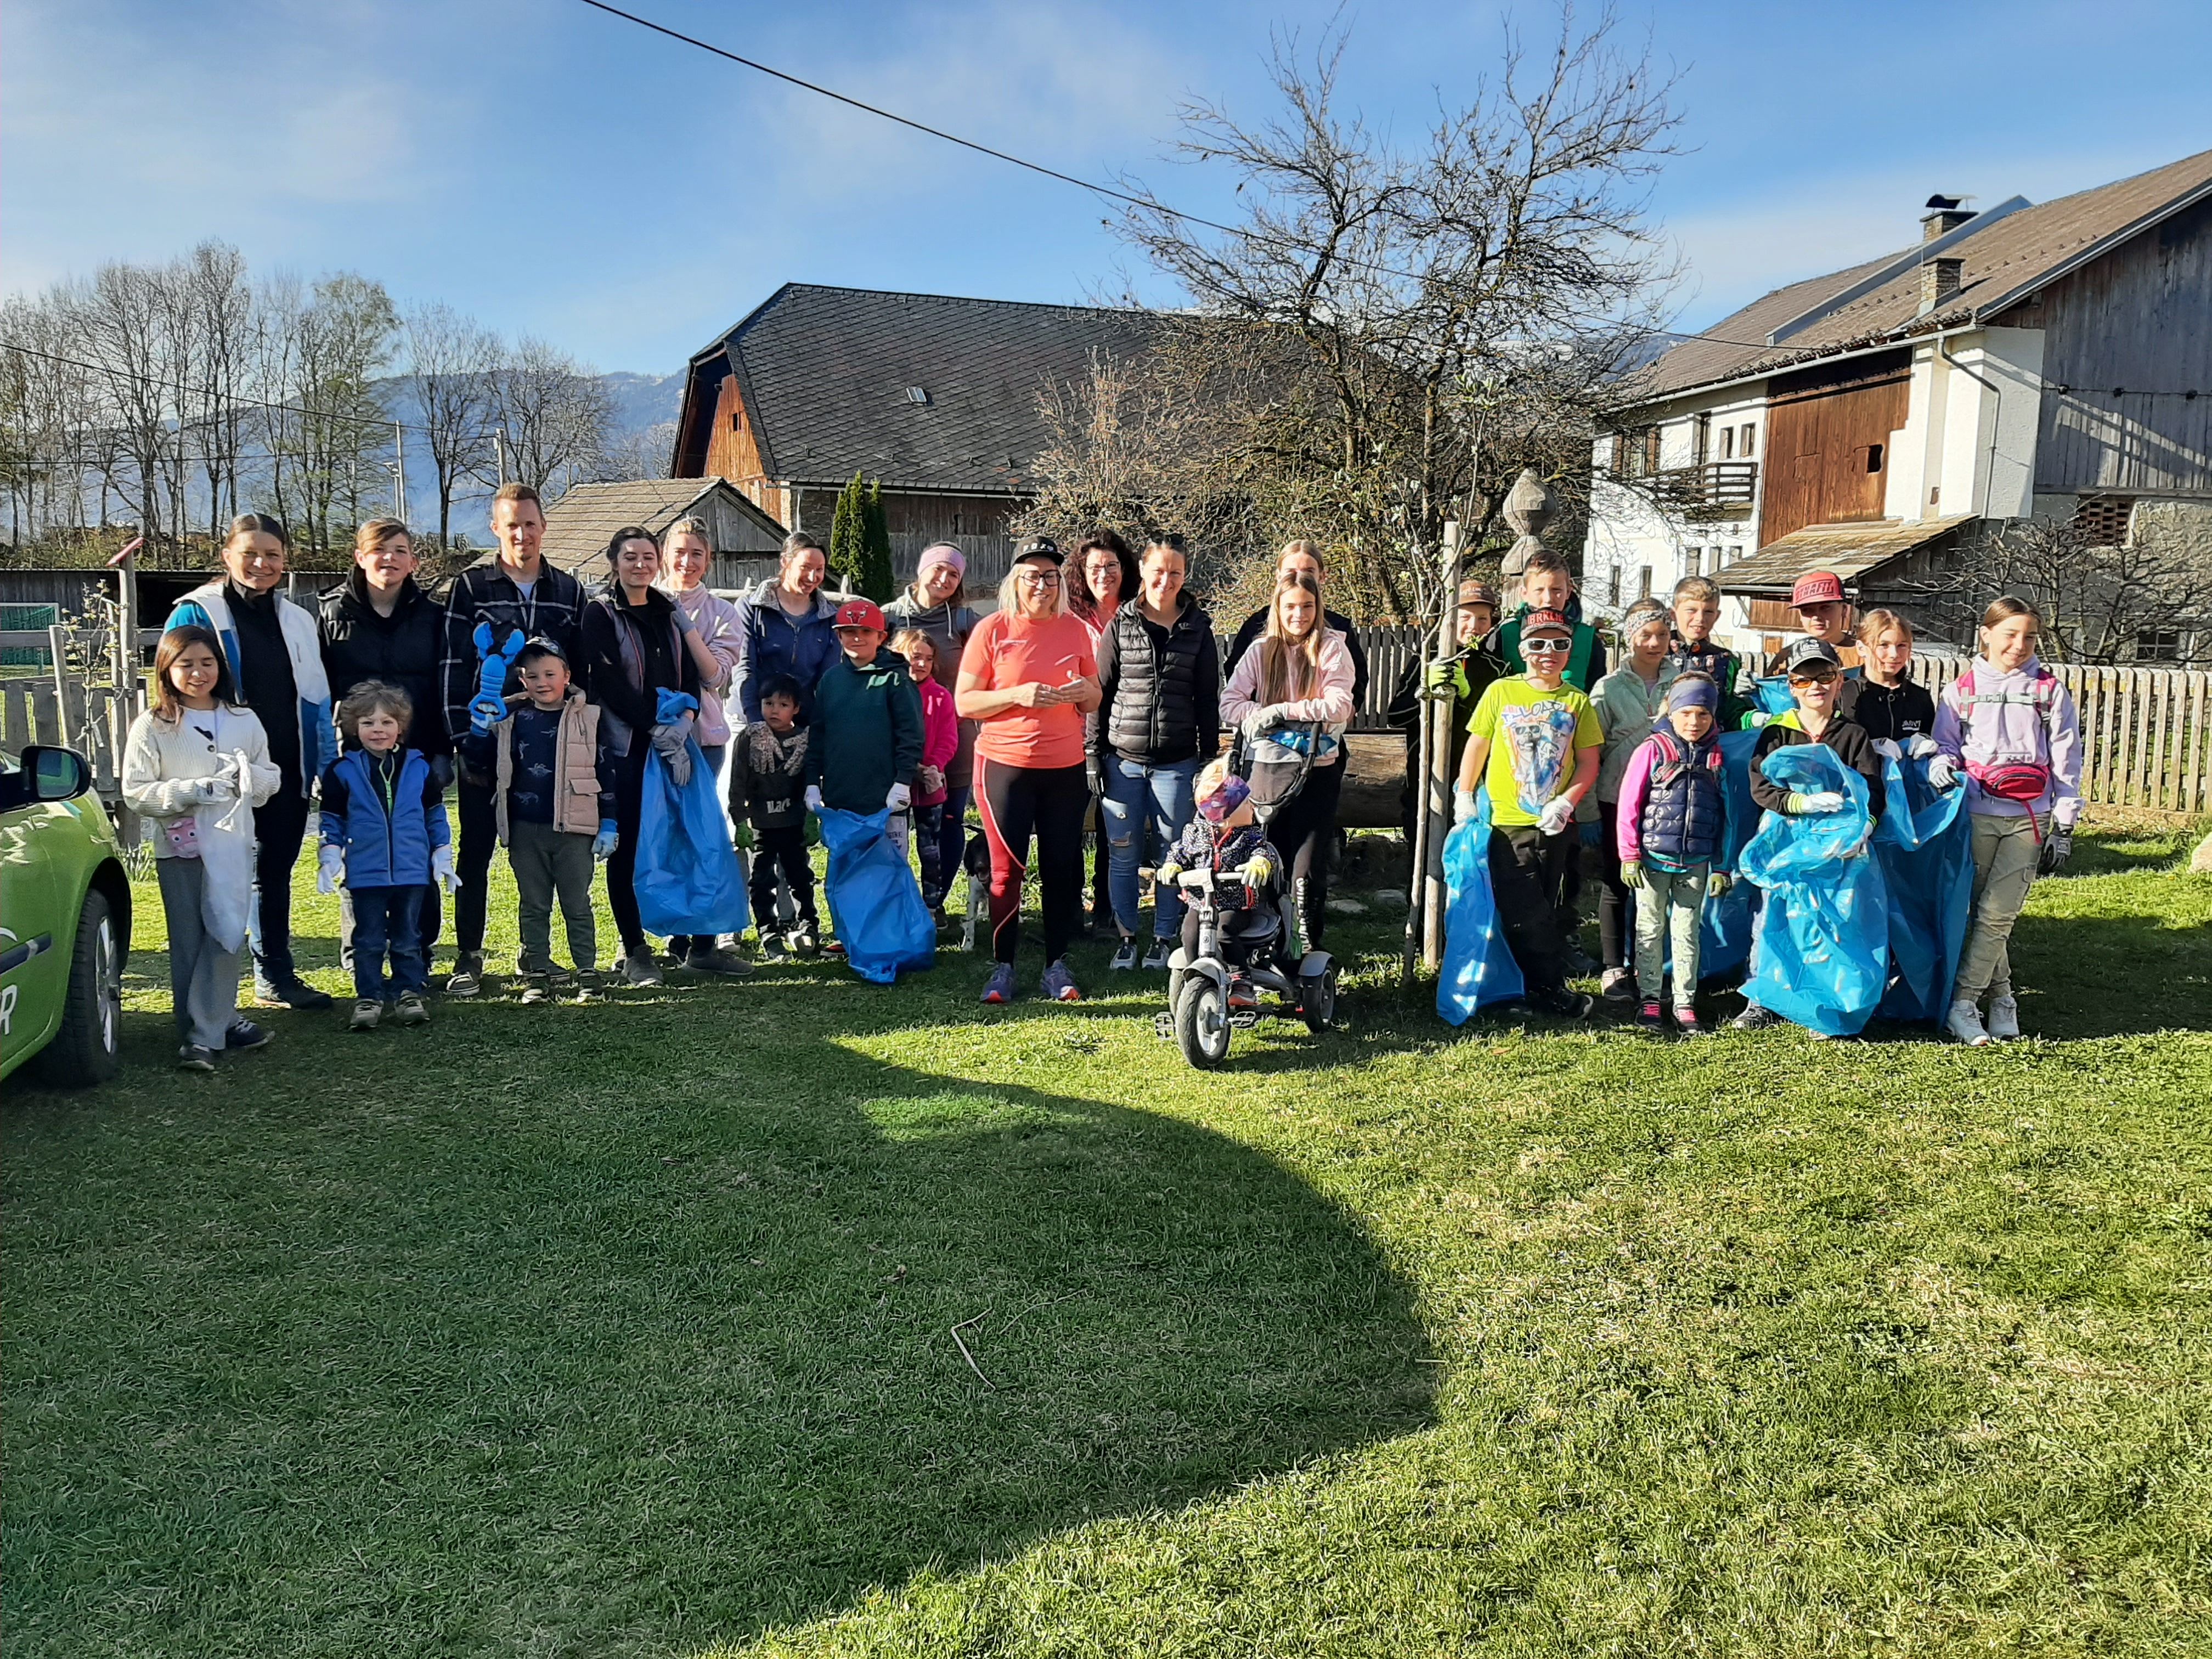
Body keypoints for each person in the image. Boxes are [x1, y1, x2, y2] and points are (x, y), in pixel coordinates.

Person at [165, 513, 337, 1010]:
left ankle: (275, 975)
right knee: (217, 878)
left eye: (273, 555)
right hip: (214, 774)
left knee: (273, 871)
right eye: (250, 554)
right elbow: (170, 690)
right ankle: (211, 996)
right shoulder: (195, 614)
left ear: (285, 560)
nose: (261, 564)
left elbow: (317, 701)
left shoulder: (299, 620)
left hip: (285, 766)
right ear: (227, 557)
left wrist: (323, 763)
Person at [439, 483, 589, 999]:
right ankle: (469, 956)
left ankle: (549, 957)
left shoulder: (569, 590)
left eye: (530, 524)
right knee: (475, 852)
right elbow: (453, 667)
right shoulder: (472, 586)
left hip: (547, 749)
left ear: (544, 527)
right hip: (486, 743)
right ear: (495, 529)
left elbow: (581, 671)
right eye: (511, 525)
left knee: (548, 855)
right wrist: (464, 738)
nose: (521, 534)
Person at [121, 626, 283, 1069]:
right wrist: (191, 791)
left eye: (207, 663)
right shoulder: (153, 726)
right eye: (186, 664)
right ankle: (210, 1021)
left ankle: (205, 1034)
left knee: (227, 931)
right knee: (190, 939)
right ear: (167, 670)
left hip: (231, 846)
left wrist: (248, 777)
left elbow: (271, 779)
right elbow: (136, 792)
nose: (198, 673)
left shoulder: (243, 720)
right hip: (182, 849)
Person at [580, 524, 735, 986]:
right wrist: (651, 725)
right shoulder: (601, 613)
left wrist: (685, 720)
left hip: (677, 745)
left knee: (690, 840)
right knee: (628, 847)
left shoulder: (668, 611)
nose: (640, 565)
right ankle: (635, 950)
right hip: (626, 747)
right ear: (614, 561)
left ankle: (698, 945)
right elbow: (608, 682)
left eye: (648, 557)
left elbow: (690, 671)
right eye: (631, 557)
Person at [956, 535, 1101, 1004]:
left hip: (1065, 768)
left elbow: (1096, 696)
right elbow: (965, 701)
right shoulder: (993, 630)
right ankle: (1003, 966)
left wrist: (1081, 690)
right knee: (1005, 871)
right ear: (1016, 581)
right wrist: (1016, 696)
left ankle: (1056, 965)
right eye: (1033, 576)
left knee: (1063, 868)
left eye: (1051, 576)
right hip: (1005, 767)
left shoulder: (1076, 629)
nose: (1043, 584)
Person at [1932, 597, 2083, 1047]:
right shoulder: (1961, 689)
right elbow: (1946, 744)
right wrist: (1940, 764)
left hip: (2029, 819)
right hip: (1977, 816)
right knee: (1980, 914)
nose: (2019, 645)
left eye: (2030, 636)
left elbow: (2067, 756)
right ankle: (2003, 999)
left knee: (1999, 915)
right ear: (1986, 634)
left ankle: (1962, 1003)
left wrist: (2066, 824)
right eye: (2010, 634)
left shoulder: (2049, 690)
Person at [1453, 606, 1603, 1019]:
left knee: (1550, 909)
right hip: (1507, 825)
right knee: (1522, 912)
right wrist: (1464, 794)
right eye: (1537, 644)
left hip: (1555, 825)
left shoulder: (1577, 701)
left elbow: (1589, 762)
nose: (1548, 653)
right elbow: (1477, 746)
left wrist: (1567, 800)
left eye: (1560, 644)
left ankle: (1537, 987)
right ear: (1523, 650)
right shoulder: (1501, 692)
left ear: (1570, 651)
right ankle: (1539, 988)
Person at [1732, 636, 1888, 1031]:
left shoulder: (1852, 735)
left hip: (1840, 845)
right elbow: (1760, 785)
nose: (1815, 686)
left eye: (1825, 676)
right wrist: (1798, 804)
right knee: (1776, 915)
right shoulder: (1776, 732)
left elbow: (1874, 791)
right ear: (1790, 686)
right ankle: (1766, 997)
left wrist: (1864, 829)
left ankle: (1831, 999)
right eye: (1804, 680)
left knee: (1836, 919)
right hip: (1787, 840)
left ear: (1839, 682)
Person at [318, 517, 449, 990]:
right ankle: (364, 960)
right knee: (362, 856)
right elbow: (321, 692)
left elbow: (441, 686)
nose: (388, 559)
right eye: (379, 550)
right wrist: (328, 759)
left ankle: (419, 955)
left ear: (413, 561)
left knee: (418, 853)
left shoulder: (434, 616)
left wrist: (441, 750)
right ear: (360, 557)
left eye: (399, 550)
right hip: (356, 761)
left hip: (420, 754)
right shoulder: (332, 614)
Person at [458, 637, 620, 1005]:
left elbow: (606, 774)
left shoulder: (589, 719)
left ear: (567, 675)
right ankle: (537, 973)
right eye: (532, 675)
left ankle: (587, 973)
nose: (542, 681)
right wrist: (481, 729)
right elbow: (478, 762)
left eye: (550, 673)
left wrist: (609, 822)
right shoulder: (511, 718)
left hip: (576, 832)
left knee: (577, 904)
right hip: (525, 830)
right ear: (522, 679)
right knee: (533, 904)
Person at [1092, 535, 1220, 971]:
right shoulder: (1121, 624)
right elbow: (1100, 693)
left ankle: (1164, 938)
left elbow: (1207, 698)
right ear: (1142, 573)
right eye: (1158, 571)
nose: (1166, 580)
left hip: (1178, 764)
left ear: (1185, 577)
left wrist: (1208, 759)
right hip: (1123, 762)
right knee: (1123, 854)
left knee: (1173, 857)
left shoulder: (1198, 628)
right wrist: (1094, 755)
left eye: (1176, 573)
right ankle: (1127, 936)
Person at [1222, 570, 1356, 949]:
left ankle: (1306, 945)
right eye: (1291, 607)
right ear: (1278, 608)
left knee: (1306, 868)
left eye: (1308, 607)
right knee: (1268, 859)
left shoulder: (1331, 647)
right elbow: (1229, 704)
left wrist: (1283, 710)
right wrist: (1257, 713)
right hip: (1268, 772)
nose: (1300, 615)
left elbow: (1339, 705)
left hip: (1316, 770)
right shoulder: (1261, 650)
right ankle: (1267, 941)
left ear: (1319, 607)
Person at [316, 682, 454, 1032]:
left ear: (400, 727)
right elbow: (332, 818)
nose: (378, 730)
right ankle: (369, 996)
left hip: (412, 872)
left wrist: (442, 852)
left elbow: (434, 813)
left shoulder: (420, 767)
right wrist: (330, 853)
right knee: (368, 939)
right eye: (368, 723)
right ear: (353, 728)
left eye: (386, 722)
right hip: (365, 873)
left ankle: (408, 991)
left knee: (409, 937)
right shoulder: (342, 771)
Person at [1615, 673, 1734, 1036]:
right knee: (1649, 930)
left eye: (1702, 714)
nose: (1694, 723)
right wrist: (1629, 854)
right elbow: (1629, 805)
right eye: (1686, 714)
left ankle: (1685, 1002)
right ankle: (1650, 998)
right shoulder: (1652, 751)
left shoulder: (1715, 756)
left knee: (1687, 933)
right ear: (1672, 711)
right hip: (1652, 859)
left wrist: (1723, 865)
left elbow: (1726, 813)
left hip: (1696, 862)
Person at [658, 515, 746, 970]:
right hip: (652, 740)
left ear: (708, 561)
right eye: (680, 552)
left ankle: (703, 941)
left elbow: (715, 675)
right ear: (664, 555)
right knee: (659, 836)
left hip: (705, 741)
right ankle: (660, 933)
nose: (687, 562)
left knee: (700, 836)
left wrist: (686, 628)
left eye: (697, 554)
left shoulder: (723, 614)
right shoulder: (642, 602)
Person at [883, 543, 983, 916]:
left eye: (953, 574)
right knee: (894, 825)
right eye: (938, 569)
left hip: (951, 740)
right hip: (895, 744)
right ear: (921, 570)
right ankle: (894, 899)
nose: (944, 579)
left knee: (948, 822)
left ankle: (935, 901)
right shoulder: (889, 617)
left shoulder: (963, 621)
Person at [1589, 600, 1679, 1001]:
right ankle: (1613, 966)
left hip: (1668, 796)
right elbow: (1591, 747)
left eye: (1662, 634)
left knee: (1660, 882)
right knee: (1616, 879)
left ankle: (1654, 963)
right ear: (1630, 639)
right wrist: (1588, 808)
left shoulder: (1681, 681)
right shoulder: (1608, 688)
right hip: (1616, 795)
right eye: (1645, 634)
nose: (1655, 642)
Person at [1388, 579, 1505, 842]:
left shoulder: (1496, 669)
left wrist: (1468, 696)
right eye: (1465, 617)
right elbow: (1395, 716)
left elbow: (1497, 726)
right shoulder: (1427, 658)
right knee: (1422, 843)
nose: (1474, 627)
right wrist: (1423, 693)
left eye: (1482, 619)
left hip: (1476, 777)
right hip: (1425, 776)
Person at [1153, 761, 1285, 985]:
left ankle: (1240, 976)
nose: (1252, 808)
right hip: (1201, 903)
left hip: (1236, 903)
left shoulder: (1249, 835)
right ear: (1225, 817)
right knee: (1189, 933)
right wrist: (1173, 865)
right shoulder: (1194, 833)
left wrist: (1260, 862)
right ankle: (1197, 978)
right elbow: (1180, 852)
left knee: (1225, 931)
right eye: (1246, 805)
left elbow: (1262, 850)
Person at [804, 597, 924, 827]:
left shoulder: (896, 679)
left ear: (881, 637)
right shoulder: (831, 680)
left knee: (885, 862)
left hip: (886, 798)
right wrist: (812, 782)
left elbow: (911, 734)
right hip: (839, 795)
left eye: (866, 631)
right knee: (844, 860)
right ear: (839, 636)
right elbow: (818, 735)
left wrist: (903, 781)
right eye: (849, 632)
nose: (857, 638)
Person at [728, 673, 818, 958]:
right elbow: (737, 782)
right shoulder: (749, 739)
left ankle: (808, 926)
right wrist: (740, 820)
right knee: (761, 881)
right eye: (768, 703)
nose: (774, 710)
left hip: (793, 823)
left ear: (796, 709)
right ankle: (768, 930)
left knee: (800, 876)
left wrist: (811, 817)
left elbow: (811, 780)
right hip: (761, 825)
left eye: (783, 704)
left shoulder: (805, 740)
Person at [1224, 539, 1371, 708]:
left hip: (1319, 727)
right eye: (1290, 572)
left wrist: (1349, 709)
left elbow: (1358, 676)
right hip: (1264, 725)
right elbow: (1236, 676)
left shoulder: (1338, 629)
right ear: (1278, 576)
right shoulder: (1257, 626)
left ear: (1322, 576)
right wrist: (1258, 716)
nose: (1300, 577)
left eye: (1309, 571)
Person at [733, 531, 841, 724]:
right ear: (785, 562)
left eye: (819, 569)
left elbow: (827, 681)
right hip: (750, 714)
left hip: (802, 721)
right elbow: (744, 668)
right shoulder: (751, 608)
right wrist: (756, 723)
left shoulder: (829, 618)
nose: (812, 576)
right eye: (805, 567)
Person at [891, 629, 960, 911]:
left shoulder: (941, 696)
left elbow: (949, 738)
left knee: (931, 851)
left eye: (928, 659)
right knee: (895, 849)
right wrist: (911, 767)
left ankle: (933, 906)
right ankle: (898, 905)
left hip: (930, 788)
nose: (921, 664)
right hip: (894, 785)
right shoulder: (889, 692)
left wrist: (933, 766)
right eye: (916, 657)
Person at [1494, 552, 1609, 692]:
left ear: (1568, 592)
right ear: (1524, 593)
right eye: (1539, 590)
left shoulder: (1587, 639)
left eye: (1556, 590)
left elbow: (1596, 694)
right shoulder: (1506, 634)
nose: (1548, 599)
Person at [1664, 575, 1750, 730]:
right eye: (1691, 610)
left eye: (1708, 612)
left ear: (1717, 616)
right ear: (1673, 614)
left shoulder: (1726, 661)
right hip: (1659, 745)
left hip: (1711, 747)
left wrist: (1750, 710)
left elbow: (1730, 712)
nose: (1700, 618)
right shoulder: (1658, 654)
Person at [1853, 608, 1938, 754]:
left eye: (1902, 646)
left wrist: (1928, 745)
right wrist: (1869, 748)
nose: (1894, 655)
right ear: (1862, 648)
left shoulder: (1920, 698)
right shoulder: (1847, 694)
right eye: (1884, 645)